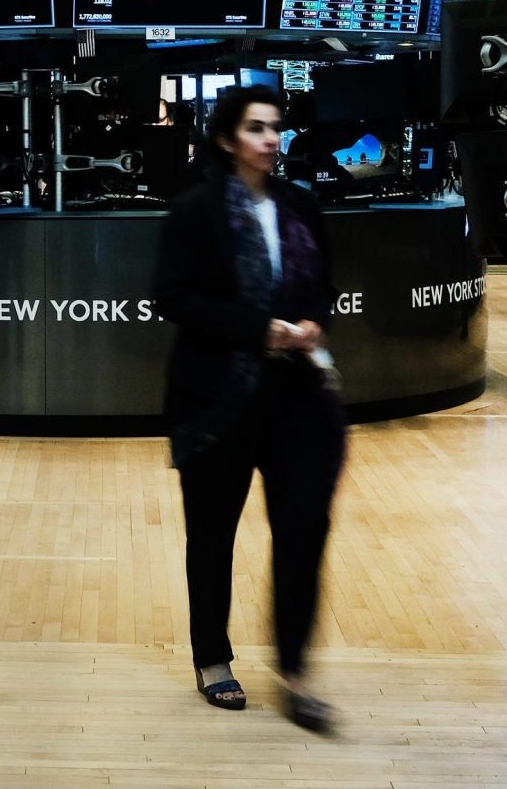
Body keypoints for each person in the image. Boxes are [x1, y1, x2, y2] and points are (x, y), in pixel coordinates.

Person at [150, 83, 347, 733]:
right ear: (228, 138)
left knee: (301, 534)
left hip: (296, 397)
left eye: (275, 127)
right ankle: (213, 659)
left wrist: (312, 323)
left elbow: (325, 286)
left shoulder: (301, 204)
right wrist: (257, 330)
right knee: (212, 537)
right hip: (218, 399)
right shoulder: (196, 211)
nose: (271, 138)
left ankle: (294, 669)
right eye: (257, 128)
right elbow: (173, 298)